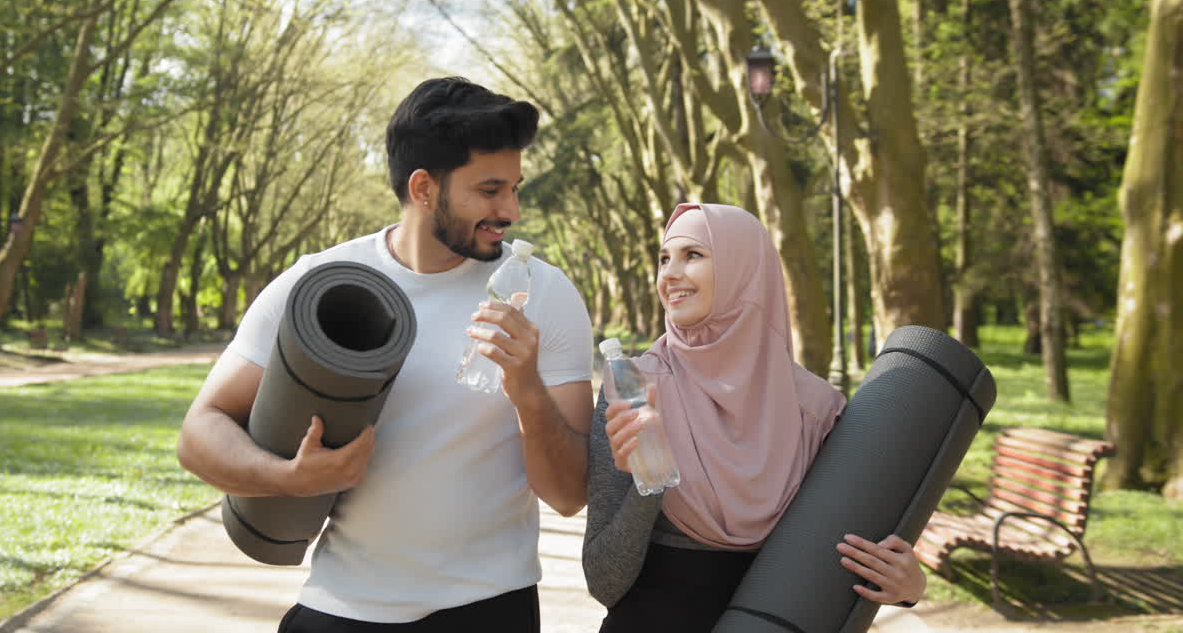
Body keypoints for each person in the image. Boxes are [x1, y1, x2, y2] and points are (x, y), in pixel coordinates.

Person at [177, 77, 595, 632]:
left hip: (490, 609)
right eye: (490, 190)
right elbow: (198, 434)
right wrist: (289, 478)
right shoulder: (317, 283)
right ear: (424, 188)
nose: (511, 209)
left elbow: (569, 496)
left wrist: (527, 394)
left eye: (515, 188)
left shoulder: (544, 294)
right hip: (339, 608)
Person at [583, 203, 926, 632]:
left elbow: (853, 549)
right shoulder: (631, 387)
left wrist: (909, 585)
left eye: (693, 255)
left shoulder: (818, 410)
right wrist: (650, 477)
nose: (668, 274)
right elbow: (602, 580)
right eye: (663, 258)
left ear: (745, 269)